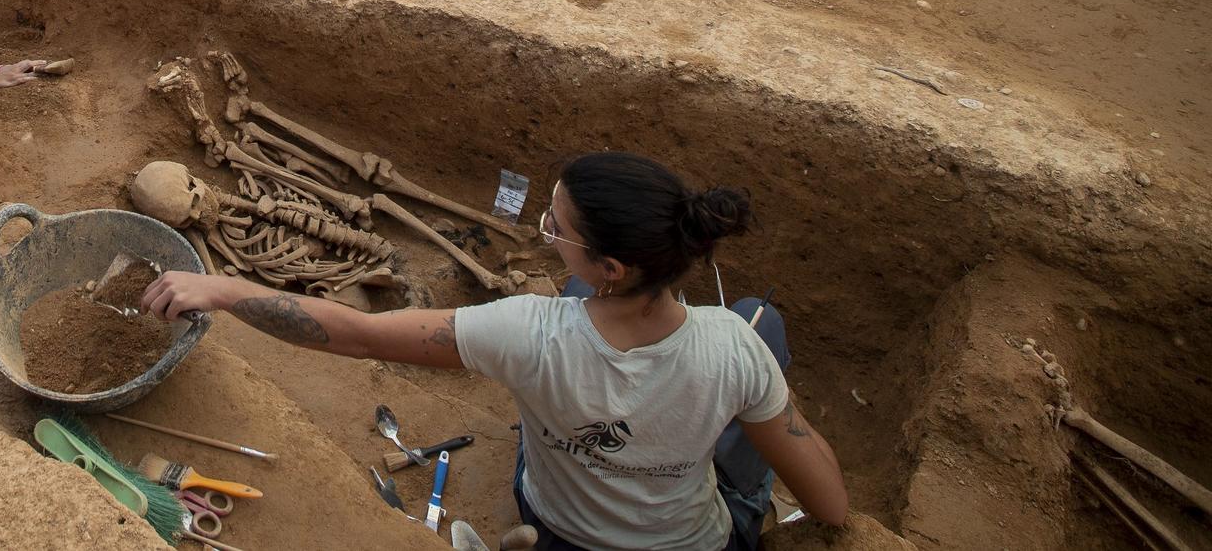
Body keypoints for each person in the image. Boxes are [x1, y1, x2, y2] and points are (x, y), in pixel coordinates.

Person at [143, 151, 849, 550]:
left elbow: (355, 335)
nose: (545, 230)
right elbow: (830, 500)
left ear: (613, 268)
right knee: (765, 322)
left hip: (556, 528)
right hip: (691, 544)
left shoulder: (527, 333)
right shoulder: (733, 348)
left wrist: (227, 290)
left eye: (555, 225)